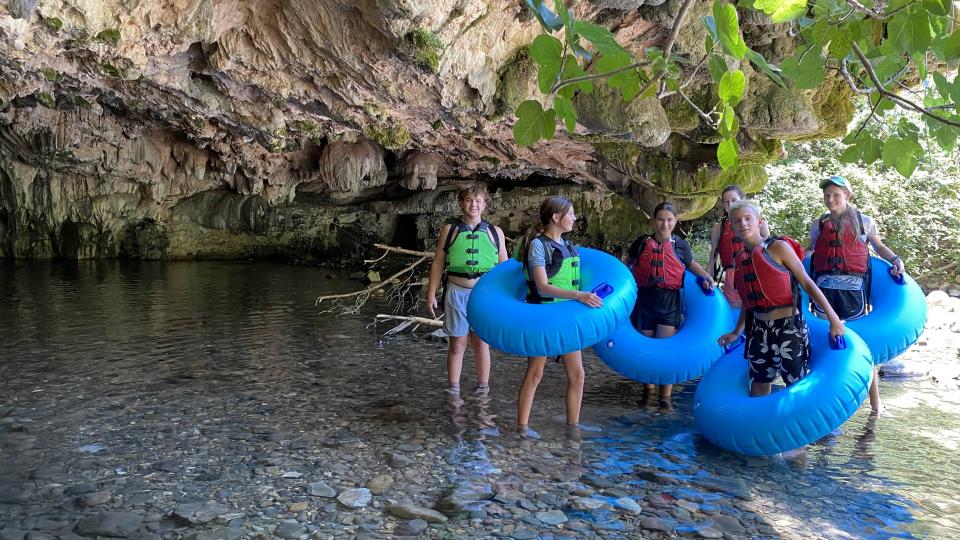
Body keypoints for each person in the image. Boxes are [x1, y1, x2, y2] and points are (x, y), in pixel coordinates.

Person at [718, 201, 845, 398]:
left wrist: (833, 319)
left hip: (789, 325)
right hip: (759, 329)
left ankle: (806, 428)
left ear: (759, 222)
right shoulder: (740, 258)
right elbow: (748, 299)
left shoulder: (777, 247)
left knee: (795, 384)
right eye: (737, 221)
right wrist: (737, 331)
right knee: (759, 383)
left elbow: (807, 282)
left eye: (747, 218)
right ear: (732, 227)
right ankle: (758, 428)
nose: (743, 224)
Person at [809, 175, 904, 413]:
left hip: (854, 293)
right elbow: (810, 251)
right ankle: (824, 404)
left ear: (848, 196)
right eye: (827, 195)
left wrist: (894, 259)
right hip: (823, 293)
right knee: (825, 344)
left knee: (863, 345)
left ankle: (876, 405)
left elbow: (878, 246)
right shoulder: (818, 224)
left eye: (836, 195)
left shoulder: (865, 222)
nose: (830, 200)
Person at [515, 196, 603, 439]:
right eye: (571, 214)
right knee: (536, 373)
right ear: (556, 217)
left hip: (566, 319)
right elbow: (542, 286)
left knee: (578, 375)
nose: (575, 218)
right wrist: (579, 295)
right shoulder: (538, 246)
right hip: (544, 316)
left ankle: (572, 427)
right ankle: (522, 427)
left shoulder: (568, 245)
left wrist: (584, 298)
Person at [627, 202, 715, 408]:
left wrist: (706, 276)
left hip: (669, 304)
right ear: (653, 221)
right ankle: (647, 393)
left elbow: (690, 264)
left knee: (665, 351)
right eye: (660, 219)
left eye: (669, 220)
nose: (664, 224)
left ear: (675, 222)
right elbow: (627, 264)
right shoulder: (641, 243)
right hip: (644, 301)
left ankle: (664, 399)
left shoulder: (680, 246)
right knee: (646, 351)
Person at [426, 183, 508, 396]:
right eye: (469, 200)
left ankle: (483, 387)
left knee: (481, 343)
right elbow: (438, 262)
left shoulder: (495, 232)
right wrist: (431, 293)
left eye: (478, 201)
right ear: (461, 203)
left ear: (484, 204)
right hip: (456, 291)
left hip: (484, 296)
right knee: (457, 343)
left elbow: (505, 269)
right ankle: (454, 388)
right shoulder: (450, 230)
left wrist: (506, 300)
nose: (474, 205)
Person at [708, 185, 770, 309]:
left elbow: (769, 250)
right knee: (735, 315)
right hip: (732, 278)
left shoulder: (759, 223)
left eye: (734, 200)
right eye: (726, 202)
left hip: (756, 272)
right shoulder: (718, 228)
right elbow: (712, 258)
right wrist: (708, 278)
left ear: (742, 199)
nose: (730, 204)